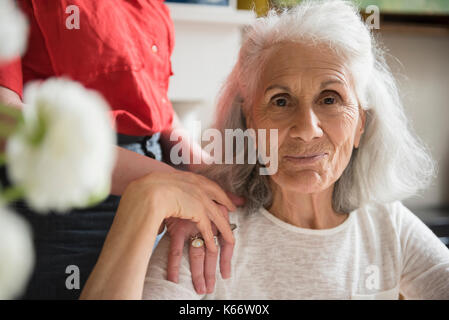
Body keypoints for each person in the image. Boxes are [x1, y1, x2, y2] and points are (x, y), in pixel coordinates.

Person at [80, 0, 449, 299]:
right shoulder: (208, 234)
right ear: (250, 125)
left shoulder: (387, 223)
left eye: (330, 98)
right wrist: (147, 197)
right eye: (281, 101)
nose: (306, 129)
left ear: (360, 125)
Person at [0, 0, 240, 299]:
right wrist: (166, 184)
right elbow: (7, 123)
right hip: (68, 204)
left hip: (156, 194)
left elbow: (155, 111)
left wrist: (210, 174)